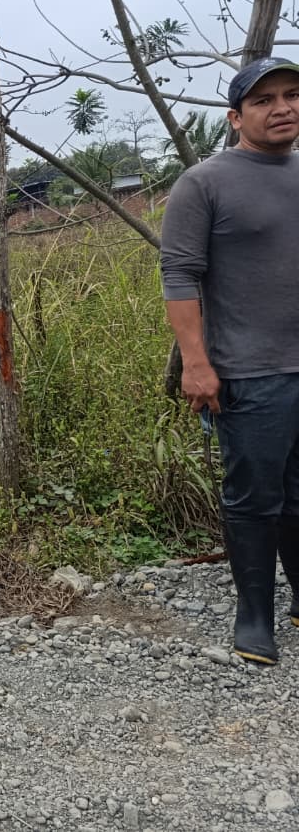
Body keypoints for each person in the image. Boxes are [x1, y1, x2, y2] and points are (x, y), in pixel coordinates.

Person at [161, 55, 299, 665]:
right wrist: (197, 364)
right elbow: (179, 275)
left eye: (292, 95)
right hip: (250, 371)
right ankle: (255, 616)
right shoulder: (205, 183)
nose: (283, 108)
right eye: (264, 100)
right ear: (235, 117)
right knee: (254, 497)